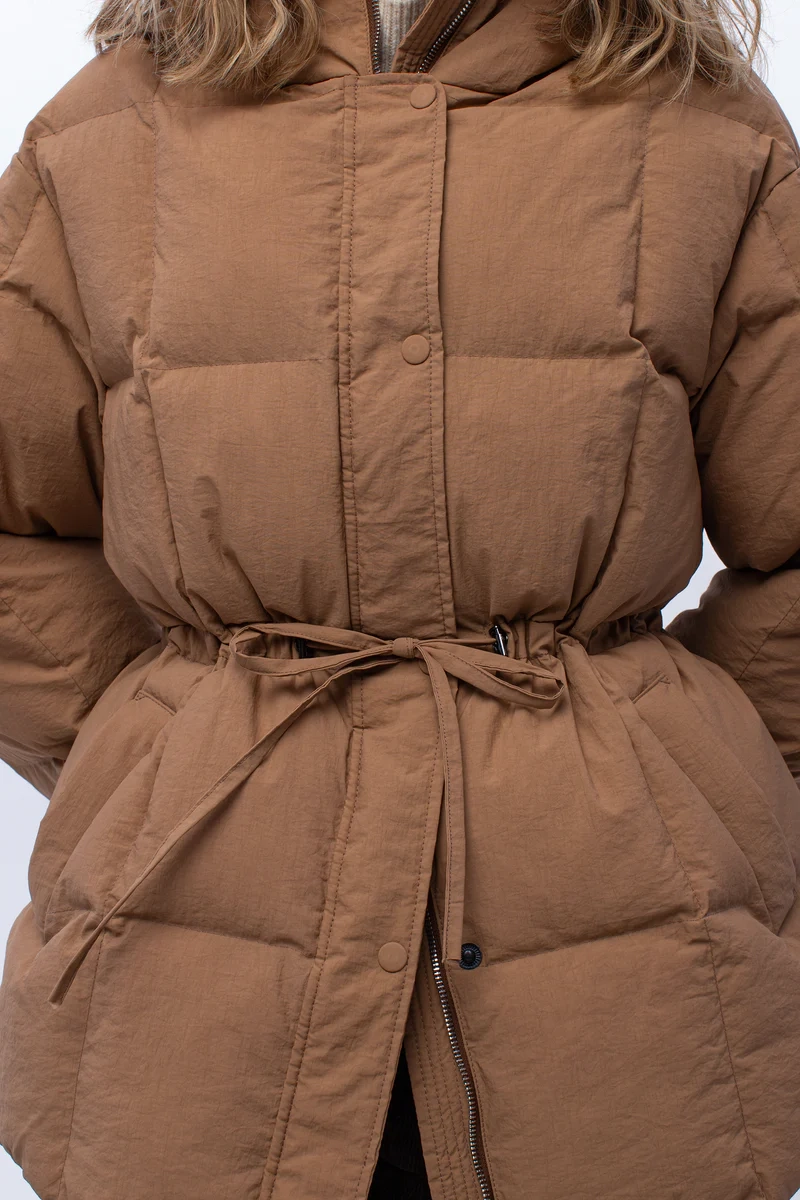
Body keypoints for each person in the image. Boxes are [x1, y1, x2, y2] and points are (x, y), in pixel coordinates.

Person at [0, 0, 799, 1196]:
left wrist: (679, 765)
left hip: (631, 982)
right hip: (188, 952)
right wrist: (157, 743)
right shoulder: (112, 128)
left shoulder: (696, 122)